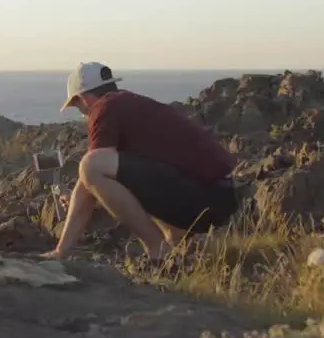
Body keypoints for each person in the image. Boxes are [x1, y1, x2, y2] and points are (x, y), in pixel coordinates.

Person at [40, 62, 240, 261]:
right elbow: (90, 184)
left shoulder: (105, 108)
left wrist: (93, 195)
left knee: (91, 164)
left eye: (78, 107)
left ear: (82, 97)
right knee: (97, 168)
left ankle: (157, 249)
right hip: (219, 194)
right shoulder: (129, 104)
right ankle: (180, 242)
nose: (83, 114)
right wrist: (62, 250)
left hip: (205, 197)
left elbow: (92, 169)